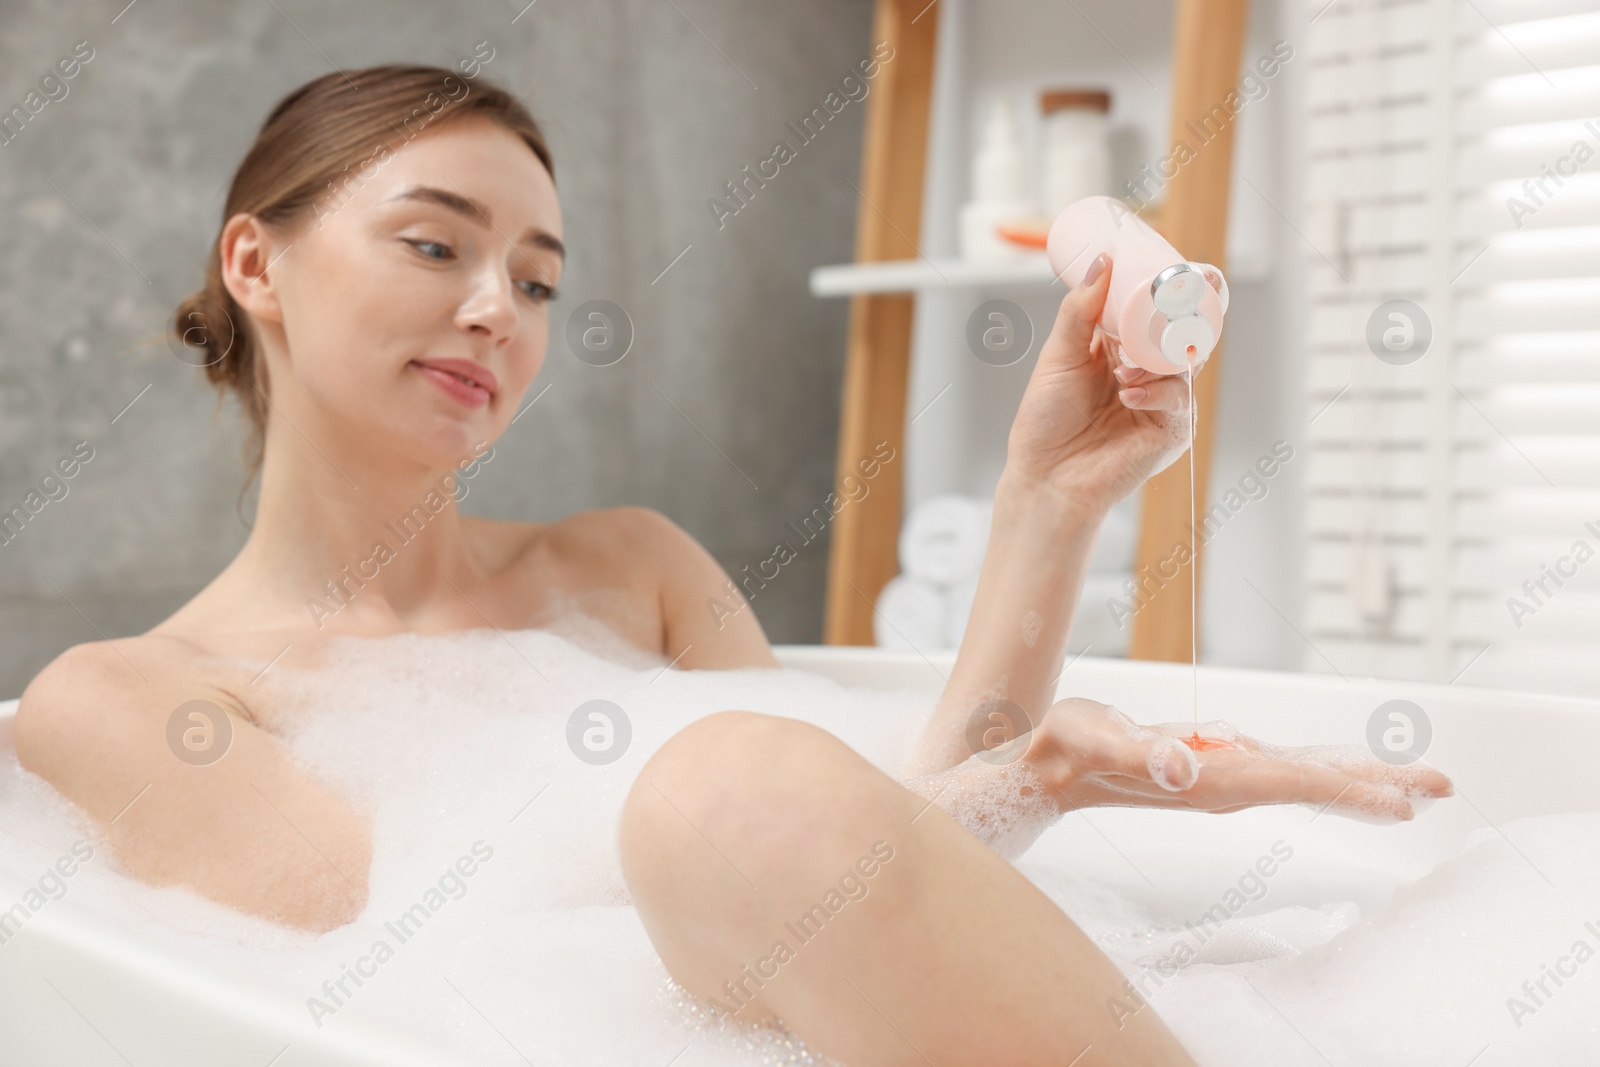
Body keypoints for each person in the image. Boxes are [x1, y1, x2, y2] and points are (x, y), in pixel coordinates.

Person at [13, 65, 1450, 1066]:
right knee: (725, 788)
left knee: (736, 789)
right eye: (434, 243)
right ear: (256, 268)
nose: (491, 310)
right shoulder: (128, 702)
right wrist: (1034, 778)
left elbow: (861, 877)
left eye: (537, 280)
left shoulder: (626, 566)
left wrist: (1045, 504)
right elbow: (418, 1004)